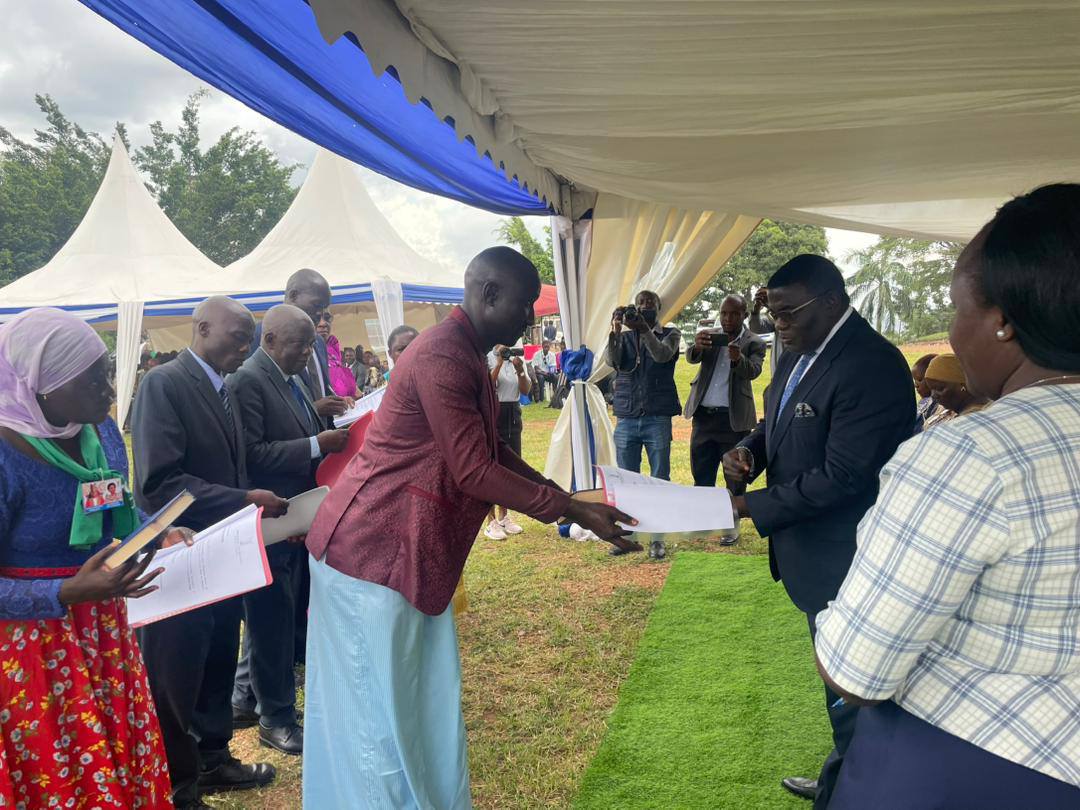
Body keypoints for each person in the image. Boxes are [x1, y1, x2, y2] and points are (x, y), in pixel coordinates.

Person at [303, 246, 641, 809]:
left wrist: (568, 498)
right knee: (375, 719)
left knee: (413, 706)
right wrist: (570, 510)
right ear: (487, 294)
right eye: (525, 303)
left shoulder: (467, 354)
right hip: (369, 556)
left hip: (403, 554)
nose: (531, 317)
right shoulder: (443, 356)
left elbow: (493, 452)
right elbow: (474, 470)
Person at [815, 183, 1080, 808]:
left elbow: (857, 671)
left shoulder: (969, 453)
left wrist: (836, 617)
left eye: (957, 309)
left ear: (1004, 320)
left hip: (969, 765)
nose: (953, 336)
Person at [721, 255, 914, 808]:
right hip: (812, 555)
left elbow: (845, 477)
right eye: (771, 313)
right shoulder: (802, 349)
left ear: (831, 301)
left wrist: (748, 505)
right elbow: (775, 421)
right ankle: (842, 774)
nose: (776, 324)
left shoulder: (871, 363)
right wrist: (747, 452)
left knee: (858, 690)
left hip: (849, 556)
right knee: (841, 689)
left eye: (786, 313)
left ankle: (853, 790)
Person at [0, 308, 190, 809]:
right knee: (57, 772)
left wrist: (156, 534)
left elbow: (116, 509)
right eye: (94, 378)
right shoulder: (4, 452)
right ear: (42, 385)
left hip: (103, 630)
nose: (110, 389)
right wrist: (63, 592)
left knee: (114, 758)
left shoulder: (100, 431)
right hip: (32, 650)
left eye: (107, 371)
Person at [132, 296, 288, 810]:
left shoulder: (223, 386)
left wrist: (253, 514)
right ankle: (179, 786)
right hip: (184, 554)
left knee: (221, 654)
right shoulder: (165, 384)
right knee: (181, 672)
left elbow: (233, 468)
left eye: (249, 337)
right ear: (200, 328)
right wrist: (242, 499)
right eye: (234, 336)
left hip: (226, 549)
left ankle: (214, 757)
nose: (243, 347)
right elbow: (159, 484)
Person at [228, 305, 349, 756]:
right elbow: (252, 455)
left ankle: (250, 699)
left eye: (311, 345)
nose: (308, 353)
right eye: (301, 345)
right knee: (268, 625)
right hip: (272, 522)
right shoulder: (248, 381)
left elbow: (306, 430)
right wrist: (317, 444)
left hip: (300, 518)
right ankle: (275, 720)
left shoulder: (291, 377)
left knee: (284, 618)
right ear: (271, 339)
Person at [684, 294, 767, 498]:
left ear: (745, 315)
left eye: (734, 314)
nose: (727, 319)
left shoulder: (754, 342)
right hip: (703, 418)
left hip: (734, 421)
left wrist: (739, 359)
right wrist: (697, 347)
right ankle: (704, 526)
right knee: (702, 479)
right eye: (723, 313)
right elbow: (691, 358)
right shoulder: (710, 336)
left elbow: (754, 371)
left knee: (735, 481)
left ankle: (731, 528)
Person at [251, 268, 351, 426]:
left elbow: (322, 390)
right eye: (316, 304)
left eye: (324, 307)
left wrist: (336, 403)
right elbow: (259, 405)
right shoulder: (259, 337)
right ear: (293, 296)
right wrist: (312, 409)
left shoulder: (318, 342)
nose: (320, 313)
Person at [606, 290, 682, 481]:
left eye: (651, 301)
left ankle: (659, 511)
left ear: (659, 307)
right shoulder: (624, 336)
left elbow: (662, 355)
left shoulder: (671, 334)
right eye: (641, 302)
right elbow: (611, 361)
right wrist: (615, 330)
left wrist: (645, 330)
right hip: (627, 415)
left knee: (660, 476)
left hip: (657, 415)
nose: (646, 304)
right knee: (627, 477)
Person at [483, 341, 532, 541]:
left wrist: (520, 369)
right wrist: (499, 362)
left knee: (509, 468)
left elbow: (526, 390)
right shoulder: (486, 357)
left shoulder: (515, 359)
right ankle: (490, 521)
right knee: (492, 467)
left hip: (512, 414)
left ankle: (504, 516)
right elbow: (488, 385)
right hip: (493, 413)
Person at [921, 352, 988, 429]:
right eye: (931, 389)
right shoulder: (950, 408)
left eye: (939, 388)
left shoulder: (974, 419)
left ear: (964, 384)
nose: (933, 395)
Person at [315, 310, 360, 398]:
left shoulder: (332, 347)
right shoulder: (307, 353)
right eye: (316, 319)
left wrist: (354, 389)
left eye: (327, 318)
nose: (323, 323)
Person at [749, 286, 783, 373]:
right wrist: (756, 310)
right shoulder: (774, 316)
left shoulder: (797, 313)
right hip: (777, 373)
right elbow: (756, 329)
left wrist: (771, 304)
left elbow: (785, 321)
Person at [911, 352, 939, 431]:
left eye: (919, 380)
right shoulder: (925, 402)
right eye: (915, 380)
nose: (916, 385)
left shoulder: (936, 406)